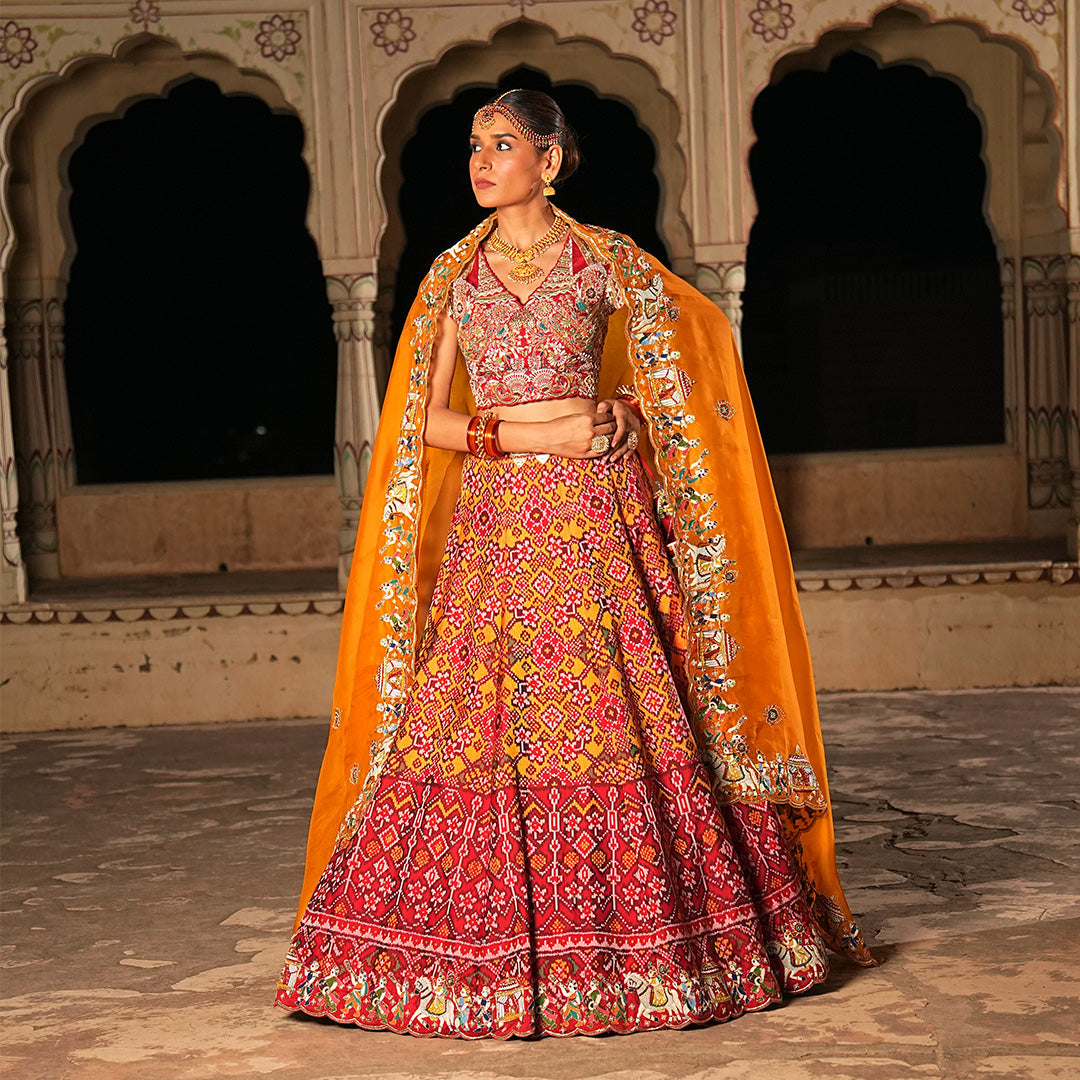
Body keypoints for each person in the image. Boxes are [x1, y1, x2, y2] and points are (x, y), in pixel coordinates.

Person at [276, 88, 876, 1039]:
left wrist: (622, 419)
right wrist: (530, 431)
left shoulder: (607, 262)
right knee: (480, 727)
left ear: (549, 161)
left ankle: (650, 956)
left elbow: (688, 370)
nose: (480, 161)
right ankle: (454, 963)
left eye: (502, 144)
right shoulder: (450, 278)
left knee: (615, 717)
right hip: (496, 533)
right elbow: (417, 424)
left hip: (600, 524)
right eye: (473, 145)